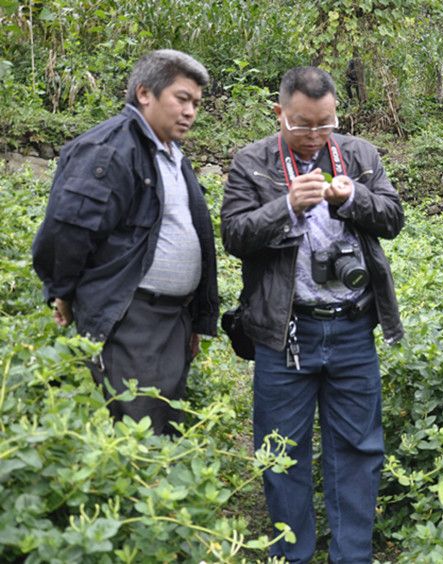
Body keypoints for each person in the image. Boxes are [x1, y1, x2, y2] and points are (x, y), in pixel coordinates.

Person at [220, 66, 404, 563]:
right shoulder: (253, 162)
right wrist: (285, 206)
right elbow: (234, 235)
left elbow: (393, 218)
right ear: (279, 113)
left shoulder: (360, 155)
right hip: (285, 332)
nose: (315, 134)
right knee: (281, 450)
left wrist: (354, 198)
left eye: (326, 123)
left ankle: (352, 556)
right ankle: (291, 555)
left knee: (359, 450)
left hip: (352, 326)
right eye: (302, 124)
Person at [31, 49, 219, 436]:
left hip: (172, 319)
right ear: (145, 93)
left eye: (196, 104)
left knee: (163, 427)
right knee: (136, 430)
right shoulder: (110, 150)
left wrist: (196, 318)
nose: (190, 112)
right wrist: (62, 291)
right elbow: (69, 230)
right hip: (132, 316)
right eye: (182, 99)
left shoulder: (170, 153)